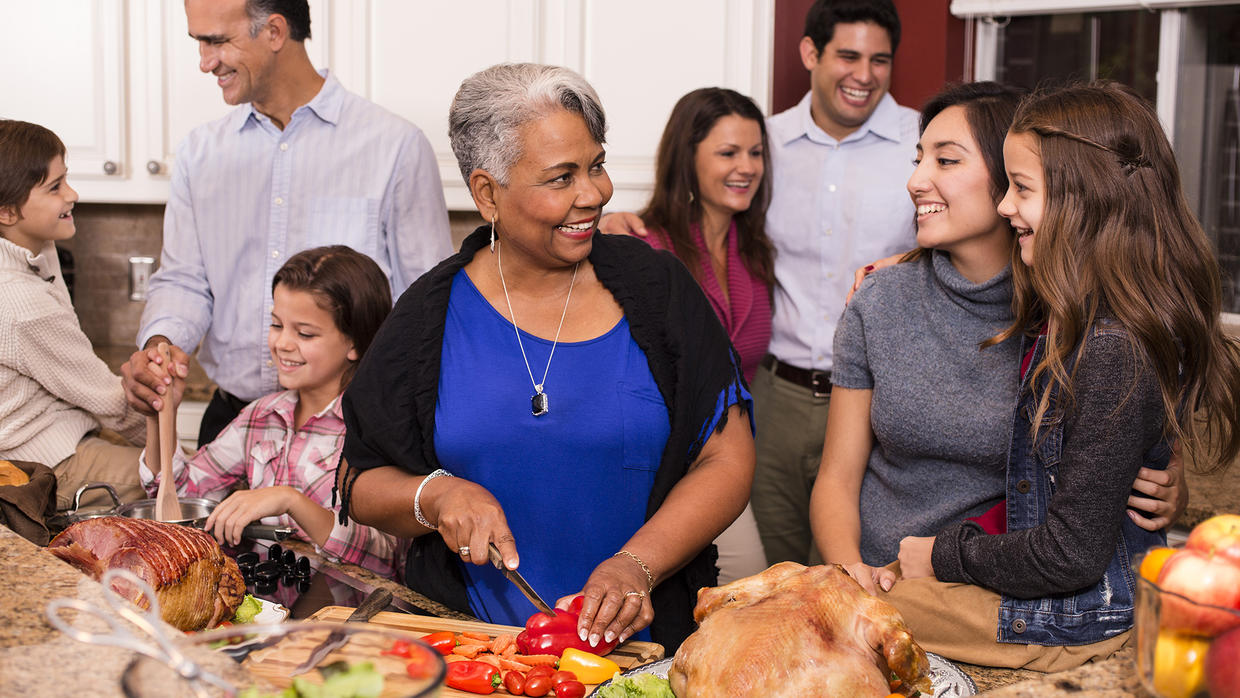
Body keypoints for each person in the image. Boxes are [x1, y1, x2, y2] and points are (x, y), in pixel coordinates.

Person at [338, 63, 754, 653]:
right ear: (488, 193)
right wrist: (436, 495)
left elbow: (727, 456)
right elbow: (361, 481)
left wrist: (637, 564)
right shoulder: (428, 317)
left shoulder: (657, 289)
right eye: (561, 178)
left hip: (647, 653)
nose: (593, 194)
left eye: (596, 166)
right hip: (478, 656)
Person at [882, 82, 1240, 671]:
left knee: (859, 615)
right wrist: (905, 266)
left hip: (1081, 615)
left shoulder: (1113, 349)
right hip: (1067, 597)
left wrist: (946, 555)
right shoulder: (1076, 314)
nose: (1005, 207)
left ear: (1086, 201)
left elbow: (1070, 554)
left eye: (1022, 188)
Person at [810, 83, 1186, 597]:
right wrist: (852, 577)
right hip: (881, 581)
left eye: (946, 161)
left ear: (1014, 176)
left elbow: (1107, 477)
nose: (916, 181)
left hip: (1005, 595)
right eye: (919, 160)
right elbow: (836, 476)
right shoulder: (879, 298)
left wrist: (1167, 483)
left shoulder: (1073, 314)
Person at [602, 0, 919, 566]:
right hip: (771, 405)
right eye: (848, 55)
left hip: (878, 399)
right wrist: (604, 227)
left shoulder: (922, 145)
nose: (865, 75)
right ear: (810, 53)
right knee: (769, 574)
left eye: (880, 60)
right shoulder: (771, 139)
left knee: (852, 572)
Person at [122, 0, 452, 446]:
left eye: (217, 41)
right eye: (199, 43)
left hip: (351, 429)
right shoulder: (199, 154)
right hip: (231, 423)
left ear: (275, 32)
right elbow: (184, 280)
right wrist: (159, 346)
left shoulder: (395, 147)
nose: (205, 62)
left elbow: (426, 304)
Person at [141, 246, 404, 579]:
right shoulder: (261, 416)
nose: (282, 343)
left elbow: (385, 557)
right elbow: (177, 501)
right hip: (267, 602)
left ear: (355, 342)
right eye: (277, 325)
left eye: (305, 333)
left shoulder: (375, 429)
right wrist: (161, 413)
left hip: (346, 607)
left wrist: (290, 500)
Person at [635, 87, 774, 584]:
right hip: (652, 468)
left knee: (746, 591)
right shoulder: (642, 246)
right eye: (728, 153)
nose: (747, 167)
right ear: (687, 159)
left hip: (721, 464)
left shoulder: (754, 251)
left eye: (755, 153)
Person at [0, 120, 146, 510]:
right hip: (44, 465)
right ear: (7, 212)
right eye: (55, 187)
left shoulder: (35, 254)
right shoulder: (22, 304)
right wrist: (177, 452)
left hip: (47, 443)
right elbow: (109, 403)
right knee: (193, 482)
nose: (72, 194)